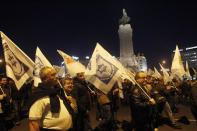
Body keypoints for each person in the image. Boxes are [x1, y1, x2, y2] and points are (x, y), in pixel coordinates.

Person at [28, 67, 73, 131]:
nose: (56, 77)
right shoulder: (39, 96)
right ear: (45, 78)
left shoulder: (55, 92)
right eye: (53, 75)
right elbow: (33, 123)